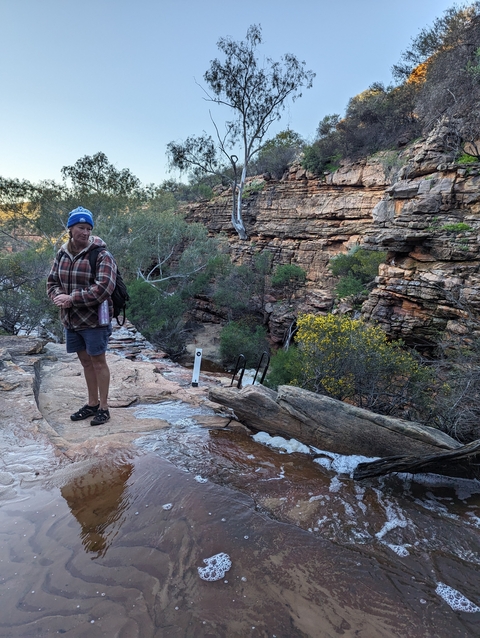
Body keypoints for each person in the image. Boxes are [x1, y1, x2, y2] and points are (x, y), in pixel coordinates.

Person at [47, 206, 117, 426]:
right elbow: (52, 282)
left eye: (88, 228)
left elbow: (104, 288)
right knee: (85, 362)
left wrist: (71, 299)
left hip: (94, 320)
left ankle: (104, 407)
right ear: (70, 229)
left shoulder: (102, 255)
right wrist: (58, 296)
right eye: (80, 227)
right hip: (71, 320)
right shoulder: (62, 254)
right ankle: (92, 403)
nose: (85, 232)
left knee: (98, 361)